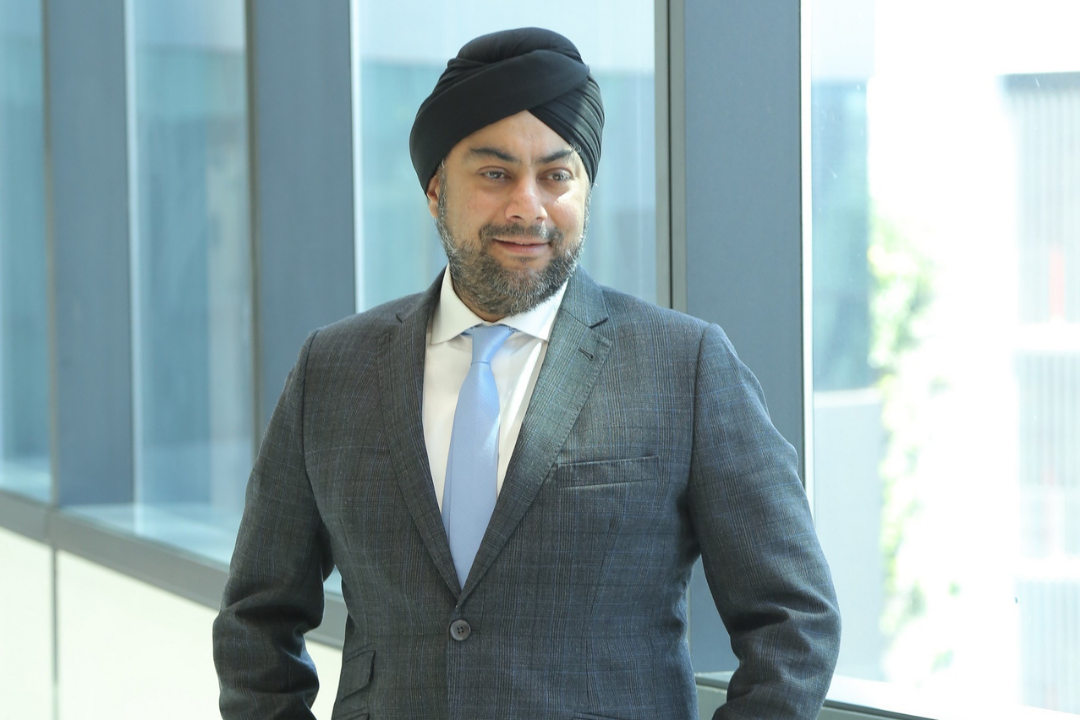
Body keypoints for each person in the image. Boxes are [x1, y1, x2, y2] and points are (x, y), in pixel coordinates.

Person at [213, 27, 841, 720]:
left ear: (585, 189)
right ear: (434, 190)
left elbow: (794, 622)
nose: (527, 207)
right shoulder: (331, 369)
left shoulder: (683, 365)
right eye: (494, 174)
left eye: (556, 176)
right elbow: (256, 621)